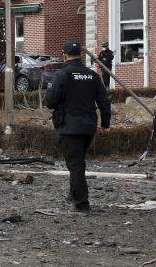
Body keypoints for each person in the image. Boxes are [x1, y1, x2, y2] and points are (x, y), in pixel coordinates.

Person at [44, 41, 111, 212]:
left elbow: (50, 102)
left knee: (75, 165)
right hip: (89, 126)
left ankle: (81, 204)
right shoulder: (92, 75)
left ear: (64, 55)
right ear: (81, 55)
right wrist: (105, 124)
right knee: (78, 163)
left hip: (69, 126)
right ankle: (73, 194)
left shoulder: (61, 75)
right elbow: (104, 101)